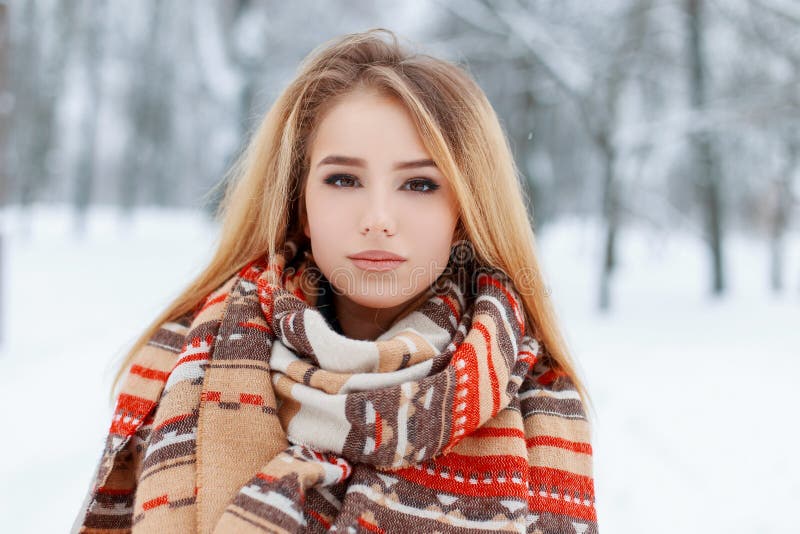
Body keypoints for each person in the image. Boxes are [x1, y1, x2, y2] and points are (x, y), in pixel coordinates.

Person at [72, 28, 598, 534]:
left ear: (462, 214)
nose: (378, 218)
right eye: (343, 179)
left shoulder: (536, 398)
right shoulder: (183, 365)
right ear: (300, 204)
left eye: (418, 183)